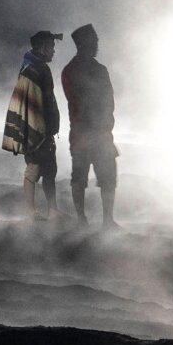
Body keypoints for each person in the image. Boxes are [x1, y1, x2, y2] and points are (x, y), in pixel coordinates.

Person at [61, 23, 119, 227]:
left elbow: (107, 100)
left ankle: (93, 219)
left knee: (94, 176)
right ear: (85, 43)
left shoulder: (70, 70)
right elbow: (103, 100)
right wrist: (104, 124)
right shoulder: (92, 70)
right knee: (87, 177)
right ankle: (96, 220)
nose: (96, 45)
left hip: (87, 132)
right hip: (90, 132)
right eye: (94, 42)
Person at [2, 30, 62, 221]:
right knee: (34, 168)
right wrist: (39, 128)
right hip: (36, 128)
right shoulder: (33, 69)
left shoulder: (36, 67)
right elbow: (33, 103)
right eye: (51, 47)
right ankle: (30, 212)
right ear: (42, 47)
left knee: (50, 170)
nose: (53, 51)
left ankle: (53, 211)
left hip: (45, 129)